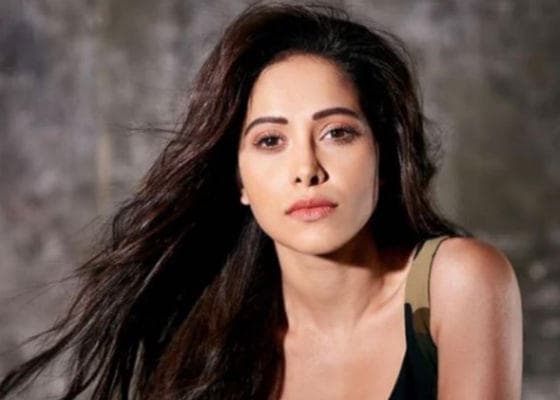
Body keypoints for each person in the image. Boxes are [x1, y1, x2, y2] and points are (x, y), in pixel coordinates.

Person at [0, 3, 522, 399]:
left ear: (384, 156)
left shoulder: (455, 282)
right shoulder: (208, 349)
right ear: (241, 181)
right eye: (270, 140)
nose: (306, 169)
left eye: (338, 132)